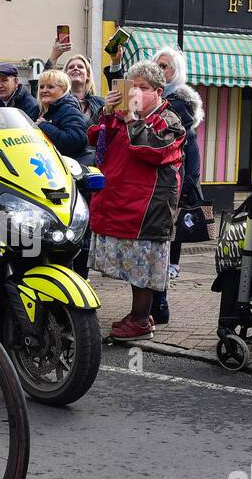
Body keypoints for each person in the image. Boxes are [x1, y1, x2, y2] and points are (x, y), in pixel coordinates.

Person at [87, 61, 185, 341]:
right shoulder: (121, 114)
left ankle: (141, 320)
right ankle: (138, 316)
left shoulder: (169, 120)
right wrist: (106, 112)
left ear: (158, 91)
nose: (137, 92)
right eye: (134, 86)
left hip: (149, 208)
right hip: (120, 202)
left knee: (145, 267)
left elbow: (153, 149)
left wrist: (131, 118)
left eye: (143, 88)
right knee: (133, 265)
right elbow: (94, 139)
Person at [149, 46, 203, 325]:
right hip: (160, 191)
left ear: (176, 72)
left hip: (170, 193)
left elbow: (187, 161)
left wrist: (177, 198)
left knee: (160, 249)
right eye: (156, 65)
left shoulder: (175, 107)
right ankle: (155, 307)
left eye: (165, 66)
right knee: (156, 249)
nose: (160, 70)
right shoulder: (157, 102)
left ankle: (158, 307)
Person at [35, 69, 91, 162]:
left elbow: (76, 141)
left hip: (66, 168)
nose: (44, 90)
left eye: (50, 87)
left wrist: (45, 126)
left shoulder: (69, 110)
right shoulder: (36, 111)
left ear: (64, 89)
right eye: (41, 87)